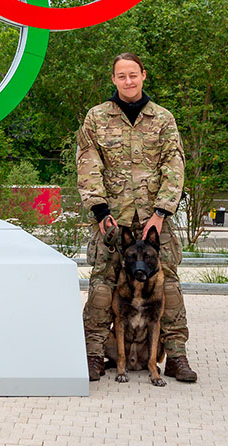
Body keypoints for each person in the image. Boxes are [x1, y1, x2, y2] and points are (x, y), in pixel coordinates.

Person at [78, 52, 197, 383]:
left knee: (168, 285)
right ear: (113, 80)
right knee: (102, 285)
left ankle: (175, 356)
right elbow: (88, 163)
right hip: (112, 219)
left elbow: (174, 164)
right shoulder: (96, 118)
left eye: (133, 75)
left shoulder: (162, 119)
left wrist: (161, 212)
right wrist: (100, 211)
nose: (128, 81)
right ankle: (94, 355)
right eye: (121, 76)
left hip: (152, 219)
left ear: (144, 75)